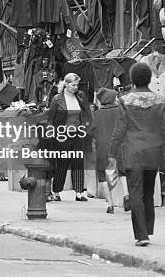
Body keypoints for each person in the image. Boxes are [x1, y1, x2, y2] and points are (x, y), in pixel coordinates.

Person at [109, 63, 165, 247]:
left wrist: (112, 154)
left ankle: (141, 234)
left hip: (132, 151)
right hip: (153, 152)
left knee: (136, 193)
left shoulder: (125, 100)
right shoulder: (160, 100)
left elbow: (119, 130)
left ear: (132, 79)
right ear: (149, 79)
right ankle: (148, 227)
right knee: (148, 192)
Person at [48, 73, 92, 202]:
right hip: (62, 135)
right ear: (66, 84)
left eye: (77, 85)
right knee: (62, 164)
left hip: (78, 134)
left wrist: (87, 127)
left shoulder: (80, 97)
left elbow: (87, 113)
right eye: (73, 85)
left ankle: (79, 192)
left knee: (78, 163)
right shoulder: (57, 99)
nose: (75, 87)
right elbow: (50, 119)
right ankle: (56, 191)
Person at [92, 88, 130, 214]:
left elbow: (90, 132)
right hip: (119, 146)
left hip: (102, 148)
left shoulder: (96, 114)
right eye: (115, 97)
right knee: (123, 172)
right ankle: (126, 195)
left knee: (103, 175)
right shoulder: (121, 111)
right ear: (112, 99)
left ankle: (110, 205)